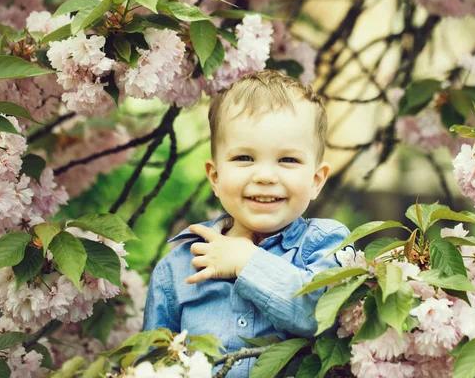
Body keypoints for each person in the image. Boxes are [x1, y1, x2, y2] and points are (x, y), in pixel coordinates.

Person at [142, 70, 351, 377]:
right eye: (244, 158)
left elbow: (319, 315)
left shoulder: (328, 244)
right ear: (215, 177)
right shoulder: (178, 268)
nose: (265, 176)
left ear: (316, 180)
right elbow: (151, 362)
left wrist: (247, 261)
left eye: (288, 160)